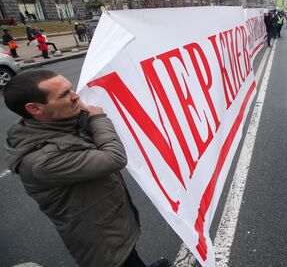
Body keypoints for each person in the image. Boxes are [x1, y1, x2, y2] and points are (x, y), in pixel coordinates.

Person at [4, 70, 169, 267]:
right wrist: (97, 118)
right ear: (35, 109)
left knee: (131, 256)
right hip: (101, 240)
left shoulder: (52, 122)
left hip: (111, 222)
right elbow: (114, 158)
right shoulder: (42, 161)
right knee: (124, 261)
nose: (75, 96)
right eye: (64, 94)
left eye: (70, 89)